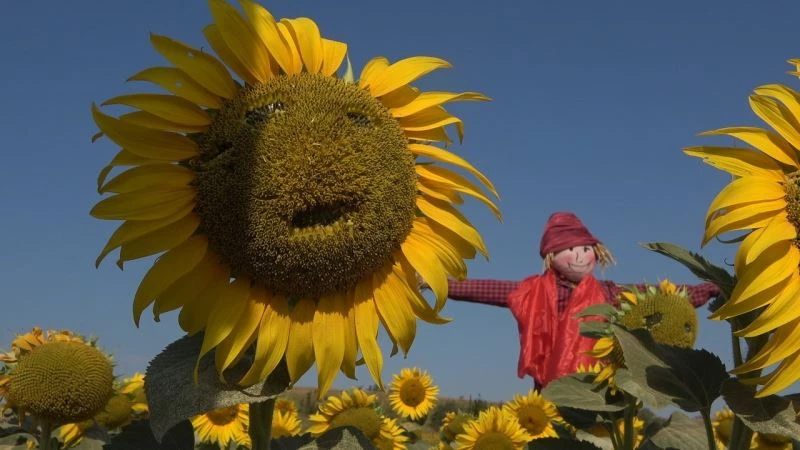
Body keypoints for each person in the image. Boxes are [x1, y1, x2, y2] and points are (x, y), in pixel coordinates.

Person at [436, 211, 720, 389]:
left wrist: (706, 290)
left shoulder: (609, 292)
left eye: (586, 248)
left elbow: (654, 298)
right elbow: (487, 289)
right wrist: (441, 285)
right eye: (570, 249)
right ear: (551, 256)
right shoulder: (531, 292)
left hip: (597, 386)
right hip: (549, 387)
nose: (581, 255)